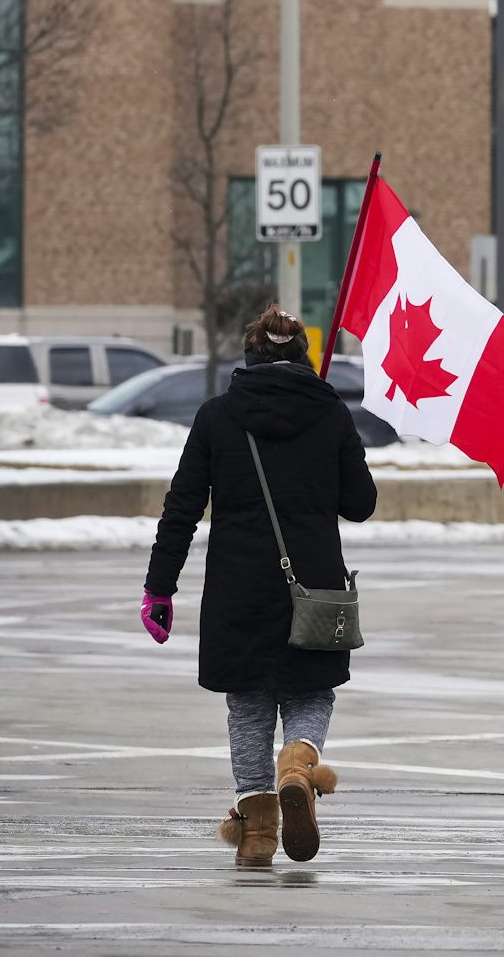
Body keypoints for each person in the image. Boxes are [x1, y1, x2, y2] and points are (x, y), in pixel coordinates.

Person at [141, 306, 376, 868]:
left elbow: (183, 507)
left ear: (248, 358)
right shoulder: (331, 414)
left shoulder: (218, 417)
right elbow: (361, 505)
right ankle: (298, 763)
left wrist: (160, 587)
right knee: (311, 693)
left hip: (238, 587)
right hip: (313, 584)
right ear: (305, 358)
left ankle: (257, 836)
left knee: (247, 705)